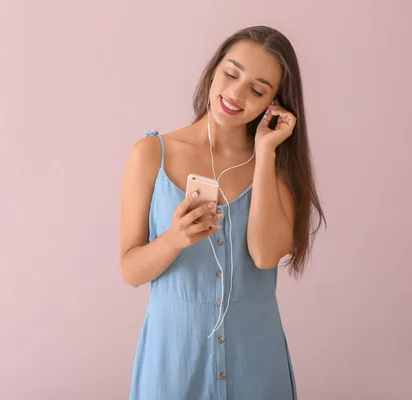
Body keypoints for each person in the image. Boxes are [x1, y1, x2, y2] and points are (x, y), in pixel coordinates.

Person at [120, 25, 326, 400]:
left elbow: (265, 256)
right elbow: (131, 270)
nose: (235, 94)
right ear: (214, 69)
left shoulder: (277, 169)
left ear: (274, 102)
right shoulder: (150, 154)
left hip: (256, 361)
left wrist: (265, 152)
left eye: (257, 89)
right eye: (231, 74)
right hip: (174, 360)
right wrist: (174, 239)